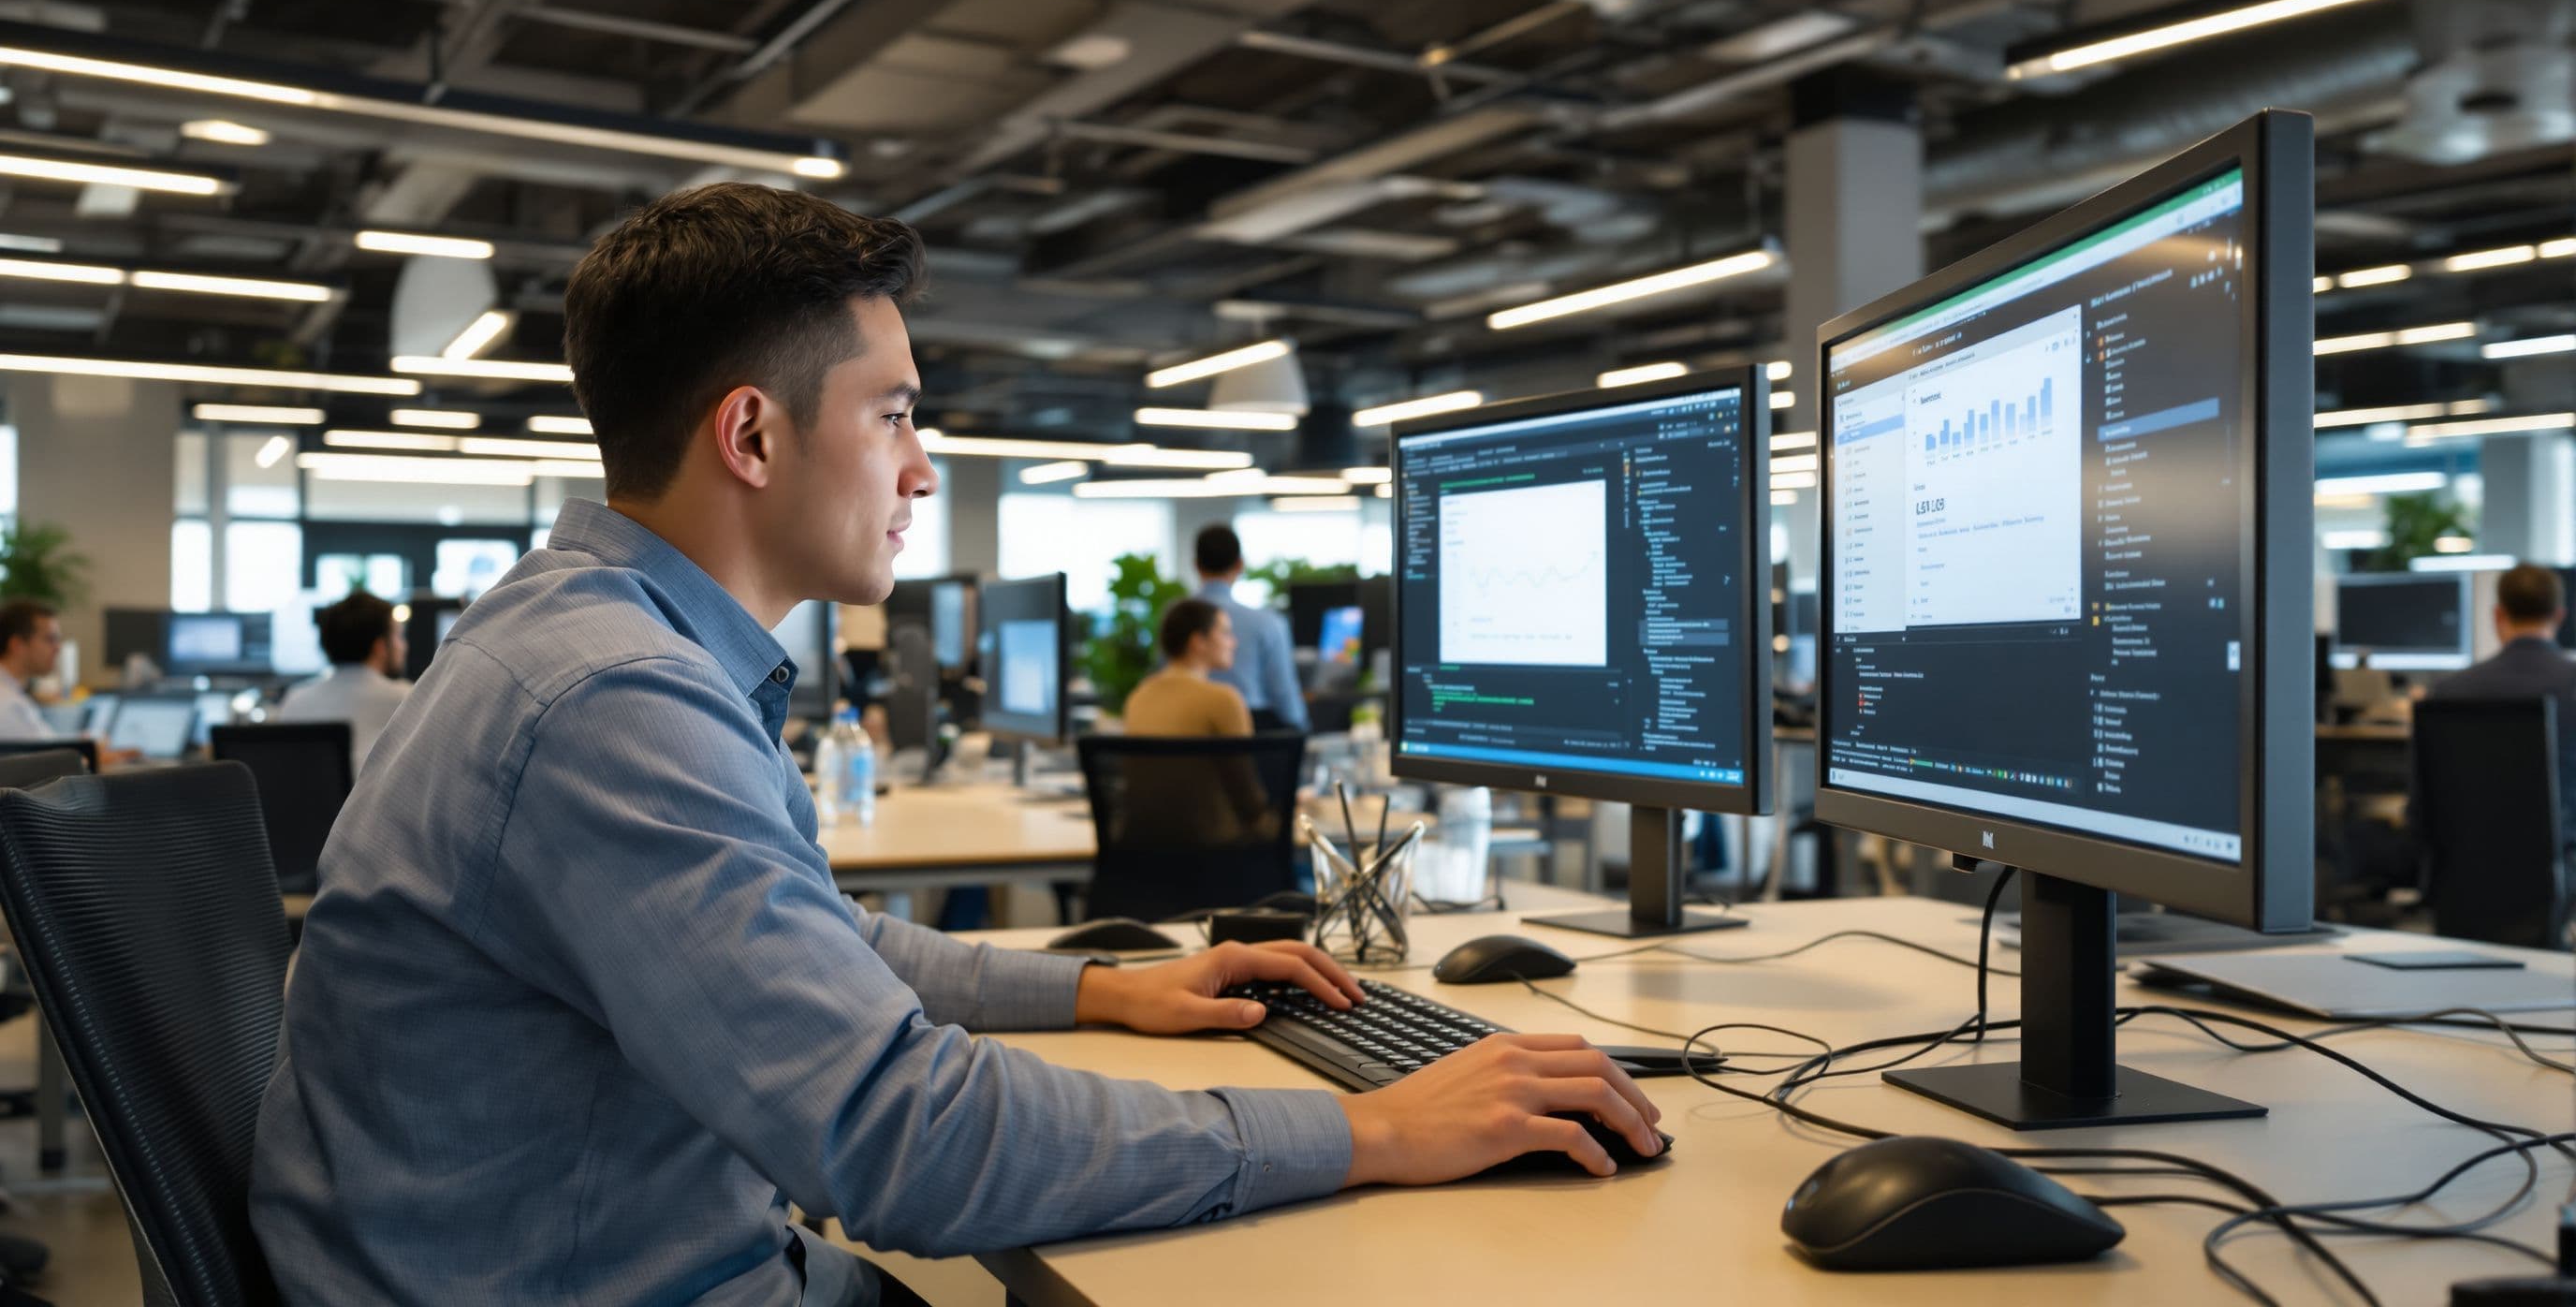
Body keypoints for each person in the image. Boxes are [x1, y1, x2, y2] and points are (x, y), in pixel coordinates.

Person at [250, 184, 1660, 1307]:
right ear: (750, 433)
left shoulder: (578, 634)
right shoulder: (610, 700)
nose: (924, 467)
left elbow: (821, 942)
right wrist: (1376, 1132)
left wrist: (1107, 988)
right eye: (896, 413)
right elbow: (903, 1139)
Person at [2428, 563, 2576, 844]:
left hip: (2468, 870)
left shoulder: (2448, 692)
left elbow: (2424, 811)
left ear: (2498, 614)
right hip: (2565, 868)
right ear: (2559, 616)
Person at [274, 591, 414, 770]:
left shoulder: (295, 700)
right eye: (398, 636)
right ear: (379, 647)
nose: (403, 646)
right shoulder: (408, 699)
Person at [1192, 524, 1309, 732]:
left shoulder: (1174, 619)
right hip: (1254, 736)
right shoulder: (1268, 623)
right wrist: (1302, 732)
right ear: (1240, 564)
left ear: (1196, 565)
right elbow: (1284, 696)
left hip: (1188, 737)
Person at [1123, 598, 1253, 736]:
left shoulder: (1138, 696)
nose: (1233, 643)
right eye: (1225, 632)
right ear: (1198, 642)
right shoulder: (1224, 700)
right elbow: (1243, 757)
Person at [0, 600, 62, 742]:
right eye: (50, 639)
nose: (58, 647)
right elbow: (48, 759)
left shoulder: (13, 693)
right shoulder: (8, 704)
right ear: (17, 645)